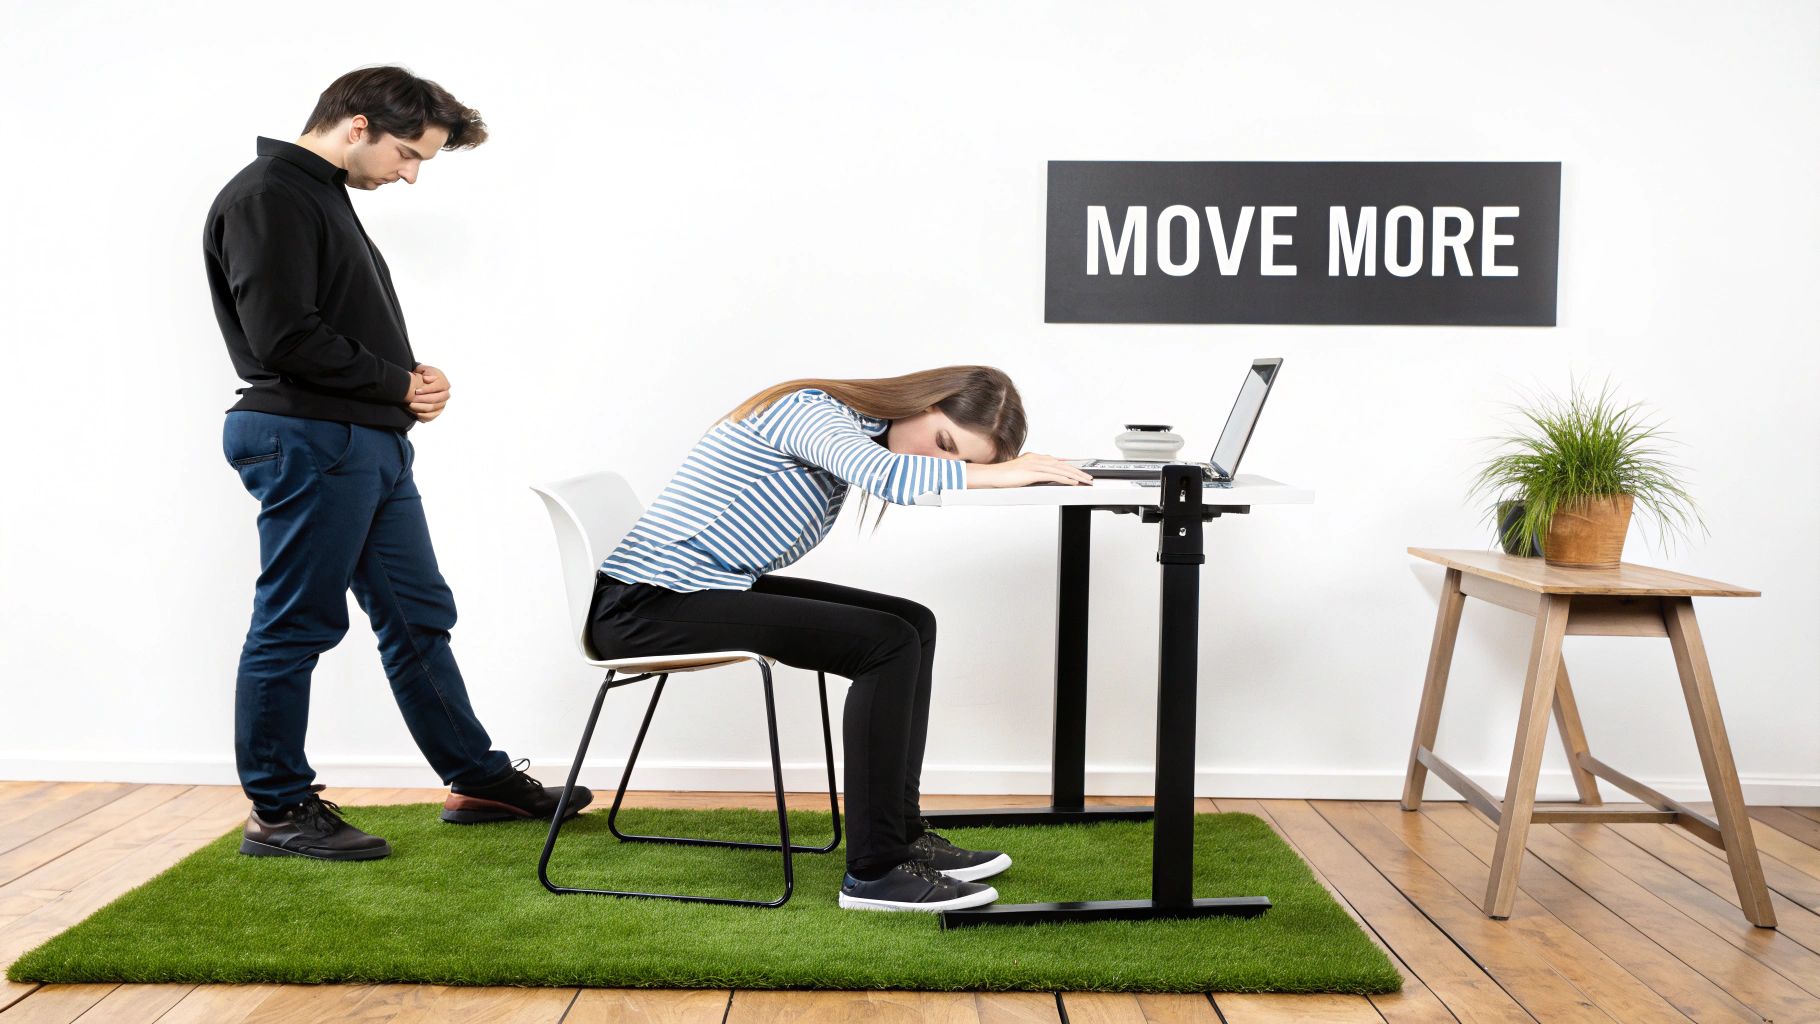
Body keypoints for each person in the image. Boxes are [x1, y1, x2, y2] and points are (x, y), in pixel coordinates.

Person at [204, 66, 593, 862]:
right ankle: (278, 810)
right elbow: (282, 338)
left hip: (359, 440)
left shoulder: (319, 196)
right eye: (409, 154)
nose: (410, 174)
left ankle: (477, 778)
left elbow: (330, 327)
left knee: (418, 616)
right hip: (309, 438)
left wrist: (411, 380)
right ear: (356, 124)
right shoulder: (269, 194)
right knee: (298, 622)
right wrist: (394, 382)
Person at [590, 367, 1093, 911]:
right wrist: (1003, 475)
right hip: (644, 606)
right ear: (921, 403)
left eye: (963, 463)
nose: (943, 465)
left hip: (695, 588)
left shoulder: (850, 427)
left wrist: (1002, 471)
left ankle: (901, 835)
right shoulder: (808, 409)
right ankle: (874, 873)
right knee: (887, 643)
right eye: (945, 444)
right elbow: (885, 474)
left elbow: (893, 470)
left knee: (912, 624)